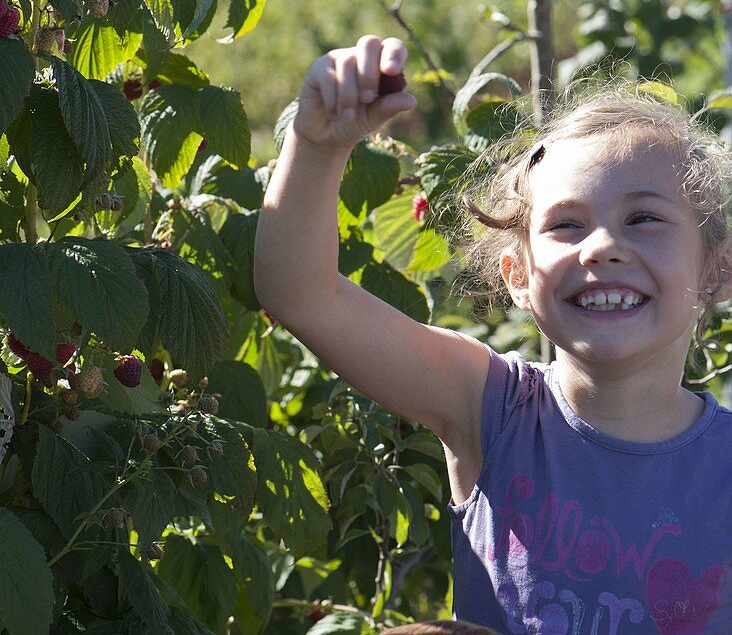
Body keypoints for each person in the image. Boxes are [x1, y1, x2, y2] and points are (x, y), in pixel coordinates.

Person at [254, 35, 732, 634]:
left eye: (643, 218)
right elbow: (303, 296)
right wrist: (317, 146)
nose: (604, 247)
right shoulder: (492, 408)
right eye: (565, 225)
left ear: (717, 269)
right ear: (518, 278)